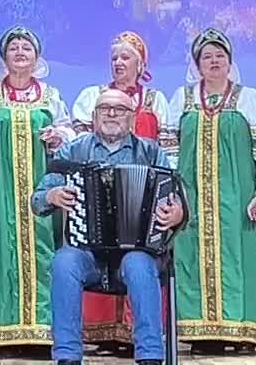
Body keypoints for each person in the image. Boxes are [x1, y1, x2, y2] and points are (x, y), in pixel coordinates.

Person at [33, 88, 187, 365]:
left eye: (120, 109)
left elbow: (178, 200)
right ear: (94, 116)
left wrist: (177, 213)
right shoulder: (73, 150)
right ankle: (67, 357)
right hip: (87, 252)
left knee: (139, 264)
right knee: (64, 261)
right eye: (105, 108)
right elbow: (38, 200)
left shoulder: (151, 152)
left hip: (137, 251)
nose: (112, 114)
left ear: (132, 118)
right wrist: (52, 195)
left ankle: (150, 356)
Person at [0, 25, 74, 349]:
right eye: (13, 47)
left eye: (27, 47)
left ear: (37, 57)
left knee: (44, 253)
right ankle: (3, 330)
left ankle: (41, 330)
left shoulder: (50, 95)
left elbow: (69, 133)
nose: (20, 52)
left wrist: (58, 136)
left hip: (41, 192)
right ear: (4, 57)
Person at [164, 27, 256, 352]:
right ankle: (202, 332)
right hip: (192, 197)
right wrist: (173, 193)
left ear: (230, 61)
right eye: (207, 57)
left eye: (220, 56)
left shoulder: (249, 98)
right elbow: (170, 150)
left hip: (237, 198)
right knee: (192, 257)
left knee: (239, 257)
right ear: (197, 64)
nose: (214, 62)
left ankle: (242, 331)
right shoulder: (182, 99)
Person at [69, 30, 171, 347]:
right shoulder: (95, 97)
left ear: (141, 65)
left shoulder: (156, 100)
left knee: (140, 257)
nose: (118, 62)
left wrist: (168, 196)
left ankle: (141, 337)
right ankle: (102, 332)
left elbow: (169, 155)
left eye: (125, 57)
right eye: (114, 57)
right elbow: (78, 148)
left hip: (143, 200)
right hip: (99, 196)